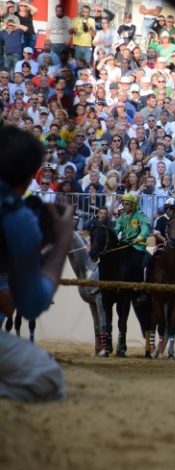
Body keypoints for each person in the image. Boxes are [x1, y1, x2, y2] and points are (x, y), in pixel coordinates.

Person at [0, 126, 72, 401]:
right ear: (30, 177)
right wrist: (62, 240)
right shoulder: (17, 216)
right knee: (47, 376)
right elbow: (31, 305)